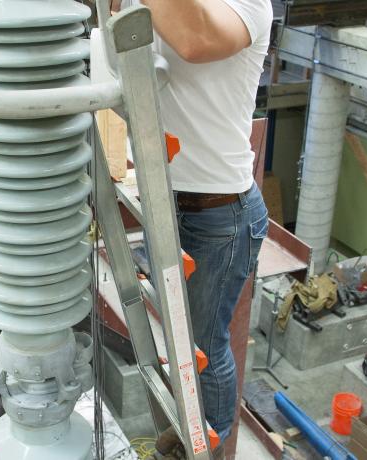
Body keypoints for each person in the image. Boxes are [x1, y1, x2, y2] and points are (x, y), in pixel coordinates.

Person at [112, 0, 273, 457]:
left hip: (220, 214)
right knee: (181, 337)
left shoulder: (248, 4)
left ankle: (209, 445)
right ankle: (190, 427)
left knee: (204, 344)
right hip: (169, 205)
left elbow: (194, 40)